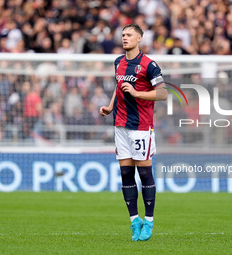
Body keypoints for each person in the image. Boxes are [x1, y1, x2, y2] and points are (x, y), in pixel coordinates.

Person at [99, 24, 167, 241]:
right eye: (123, 35)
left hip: (140, 127)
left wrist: (137, 93)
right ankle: (134, 220)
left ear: (139, 38)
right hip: (120, 124)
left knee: (145, 173)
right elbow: (118, 87)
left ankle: (149, 221)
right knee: (126, 174)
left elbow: (163, 93)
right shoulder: (118, 62)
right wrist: (110, 106)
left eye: (128, 35)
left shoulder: (149, 65)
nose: (124, 37)